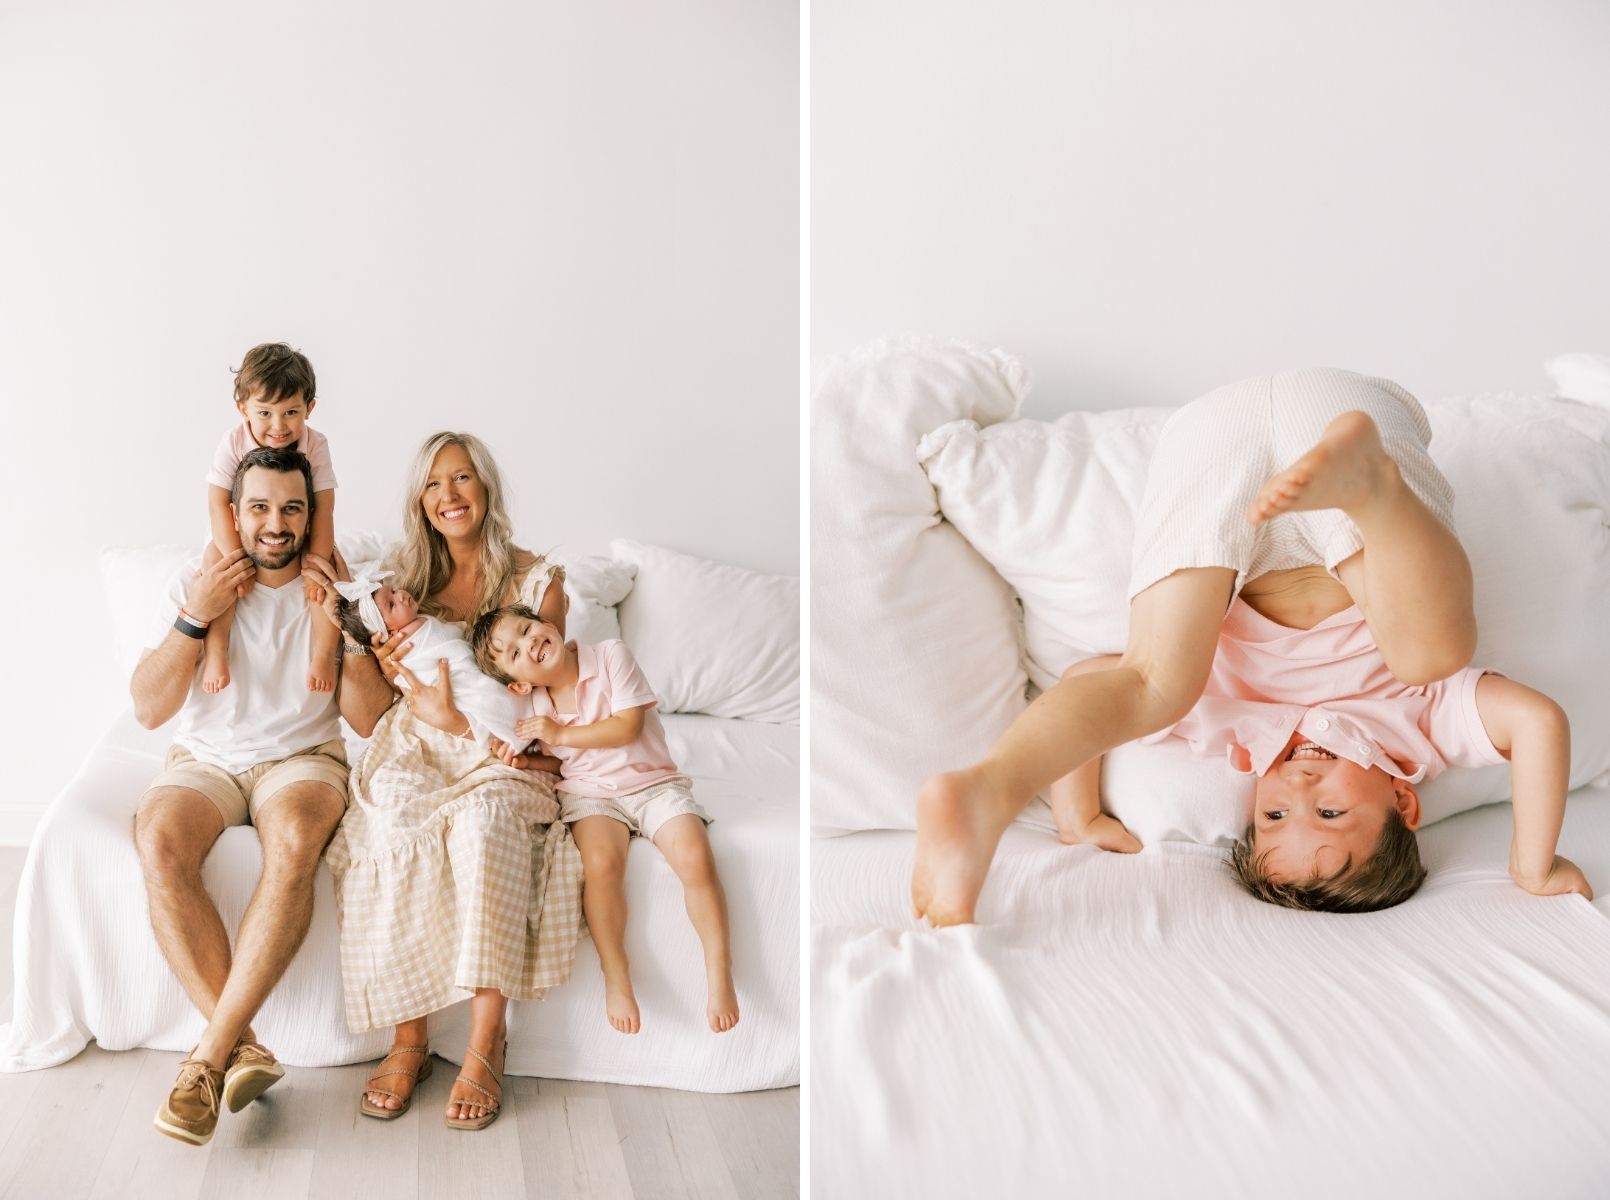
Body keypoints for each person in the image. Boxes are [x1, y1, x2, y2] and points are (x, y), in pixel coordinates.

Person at [912, 368, 1594, 924]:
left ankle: (990, 790)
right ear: (1404, 802)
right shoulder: (1423, 726)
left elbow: (1090, 680)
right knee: (1429, 655)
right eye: (1329, 813)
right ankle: (1375, 488)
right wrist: (1534, 863)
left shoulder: (1229, 726)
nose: (1298, 788)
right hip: (1346, 421)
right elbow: (1538, 722)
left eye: (1271, 815)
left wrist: (1077, 814)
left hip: (1210, 442)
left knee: (1151, 684)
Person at [306, 431, 579, 1130]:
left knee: (486, 825)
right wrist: (364, 652)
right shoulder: (398, 584)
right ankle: (409, 1036)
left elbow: (551, 691)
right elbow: (368, 719)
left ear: (486, 489)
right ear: (419, 502)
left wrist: (482, 732)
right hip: (414, 742)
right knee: (392, 817)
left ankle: (488, 1041)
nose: (449, 496)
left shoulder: (536, 580)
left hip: (492, 743)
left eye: (462, 479)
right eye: (434, 484)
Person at [131, 447, 349, 1145]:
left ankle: (207, 1058)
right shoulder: (197, 581)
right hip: (207, 757)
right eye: (259, 507)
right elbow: (147, 707)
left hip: (303, 757)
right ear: (234, 512)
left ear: (311, 515)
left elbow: (371, 714)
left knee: (293, 840)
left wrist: (350, 622)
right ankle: (245, 1047)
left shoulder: (332, 583)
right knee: (159, 837)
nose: (275, 524)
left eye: (291, 508)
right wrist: (197, 617)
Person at [471, 604, 741, 1035]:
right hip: (591, 795)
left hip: (654, 783)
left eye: (527, 629)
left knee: (694, 856)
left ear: (547, 625)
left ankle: (719, 968)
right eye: (515, 651)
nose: (530, 642)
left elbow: (627, 727)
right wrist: (526, 763)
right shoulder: (536, 707)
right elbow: (564, 766)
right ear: (520, 684)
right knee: (600, 867)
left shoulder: (610, 656)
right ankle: (615, 974)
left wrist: (558, 734)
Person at [199, 342, 342, 695]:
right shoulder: (233, 442)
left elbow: (324, 506)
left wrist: (317, 561)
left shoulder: (315, 444)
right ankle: (216, 651)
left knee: (330, 578)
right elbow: (218, 503)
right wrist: (236, 561)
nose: (278, 427)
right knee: (212, 569)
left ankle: (323, 654)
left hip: (297, 530)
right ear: (242, 408)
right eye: (265, 413)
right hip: (238, 534)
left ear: (310, 408)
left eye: (291, 412)